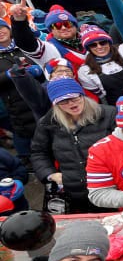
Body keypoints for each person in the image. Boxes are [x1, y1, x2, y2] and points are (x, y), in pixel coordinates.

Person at [30, 79, 118, 213]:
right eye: (63, 101)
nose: (71, 104)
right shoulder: (48, 122)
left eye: (74, 98)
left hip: (110, 184)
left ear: (82, 95)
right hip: (73, 188)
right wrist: (50, 174)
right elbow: (39, 152)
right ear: (56, 104)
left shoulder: (108, 114)